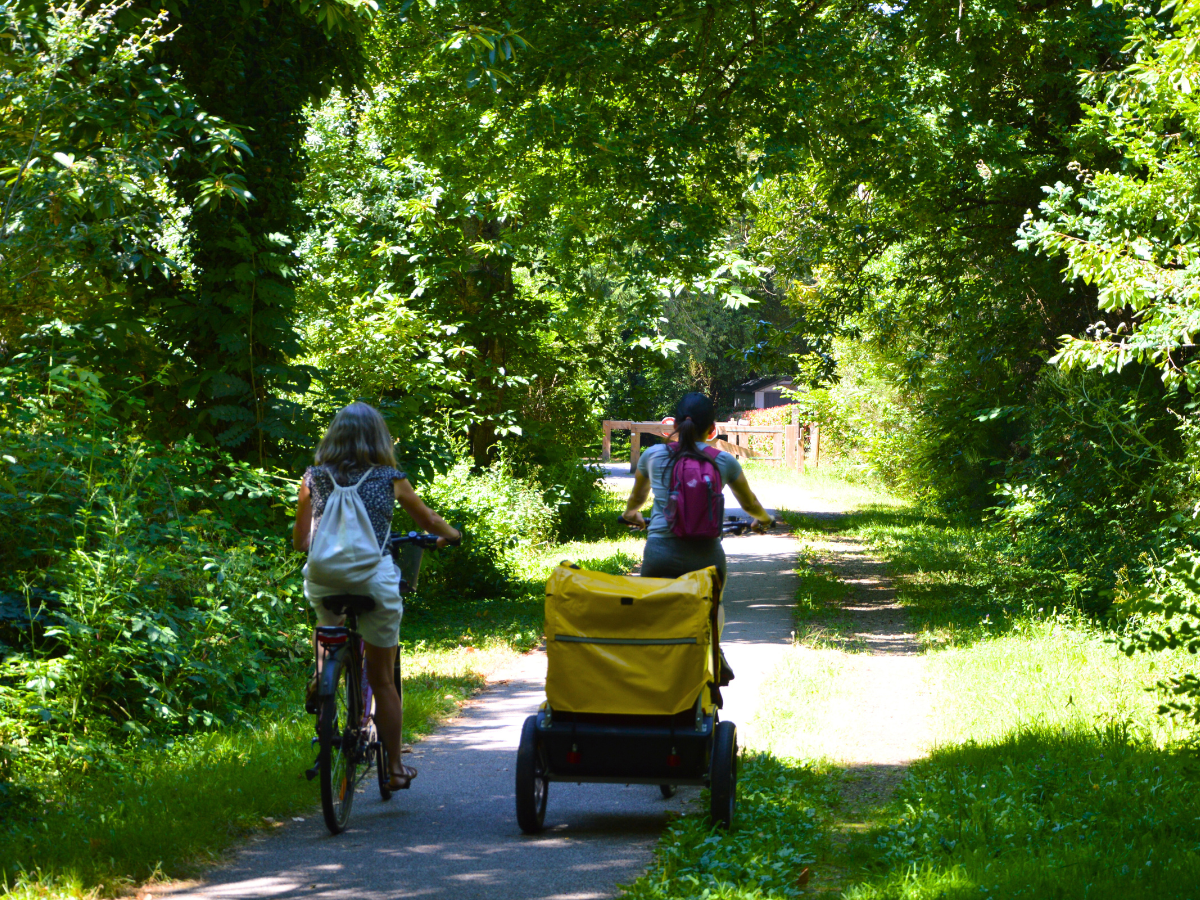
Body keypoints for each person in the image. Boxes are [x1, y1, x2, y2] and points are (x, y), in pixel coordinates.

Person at [293, 402, 460, 790]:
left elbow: (301, 542)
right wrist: (452, 536)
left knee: (328, 624)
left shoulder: (313, 478)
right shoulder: (391, 477)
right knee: (383, 680)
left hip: (324, 578)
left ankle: (322, 674)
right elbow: (428, 520)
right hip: (373, 580)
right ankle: (396, 768)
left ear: (334, 436)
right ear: (378, 438)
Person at [620, 391, 774, 583]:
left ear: (674, 425)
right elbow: (749, 503)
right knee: (710, 601)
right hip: (706, 557)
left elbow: (637, 497)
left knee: (651, 601)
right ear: (712, 429)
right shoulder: (724, 460)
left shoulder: (652, 455)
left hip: (660, 552)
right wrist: (764, 519)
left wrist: (631, 514)